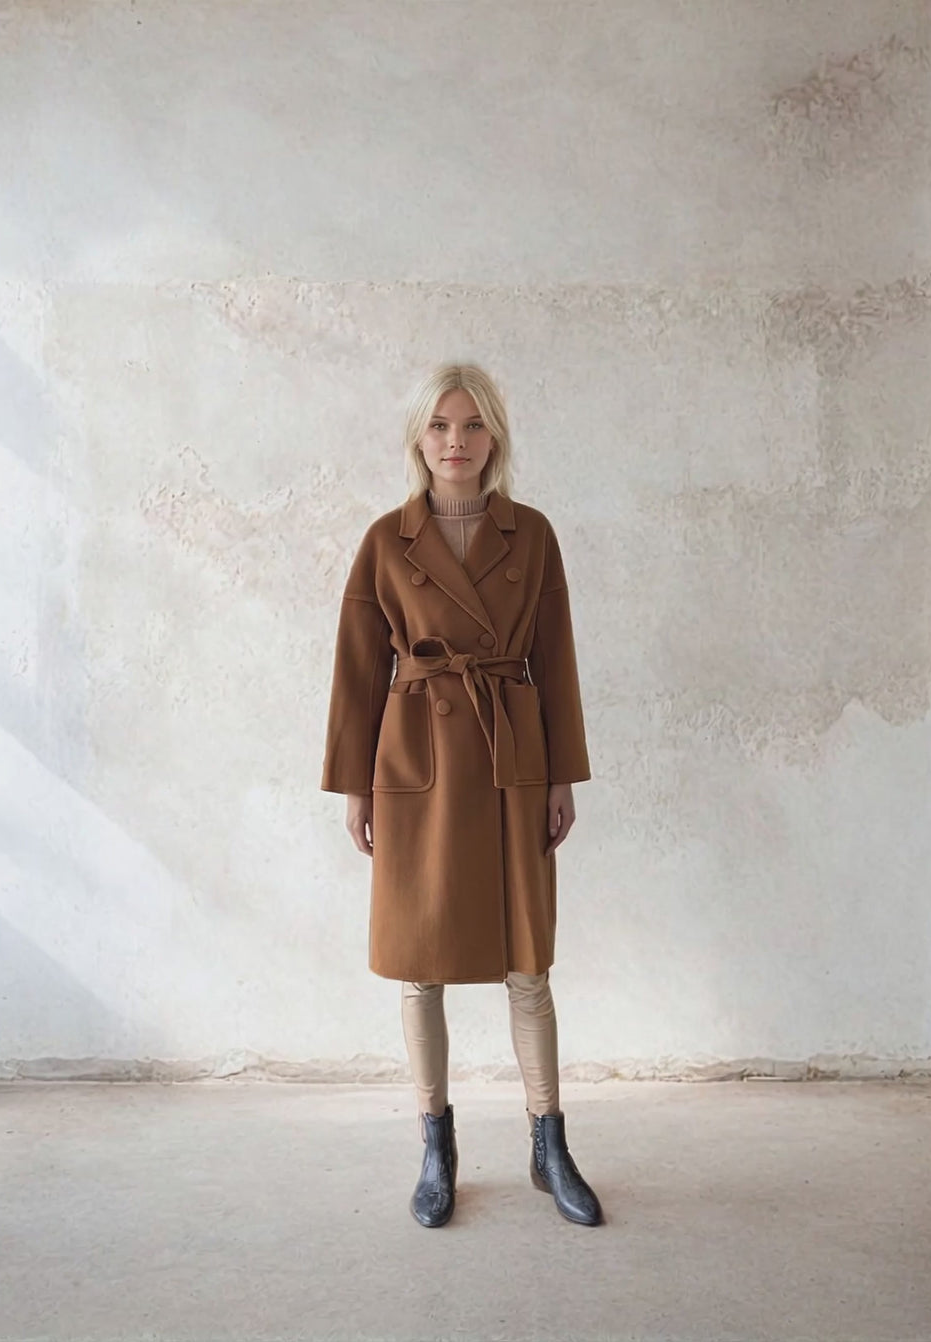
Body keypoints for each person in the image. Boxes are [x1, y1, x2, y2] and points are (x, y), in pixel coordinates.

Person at [321, 362, 603, 1229]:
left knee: (528, 962)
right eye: (441, 425)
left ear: (495, 438)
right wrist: (355, 786)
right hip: (418, 759)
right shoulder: (386, 540)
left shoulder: (533, 534)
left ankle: (549, 1144)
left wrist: (562, 774)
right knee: (420, 964)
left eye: (473, 425)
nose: (457, 441)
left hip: (511, 753)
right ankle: (435, 1146)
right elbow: (357, 672)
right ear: (419, 437)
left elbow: (554, 658)